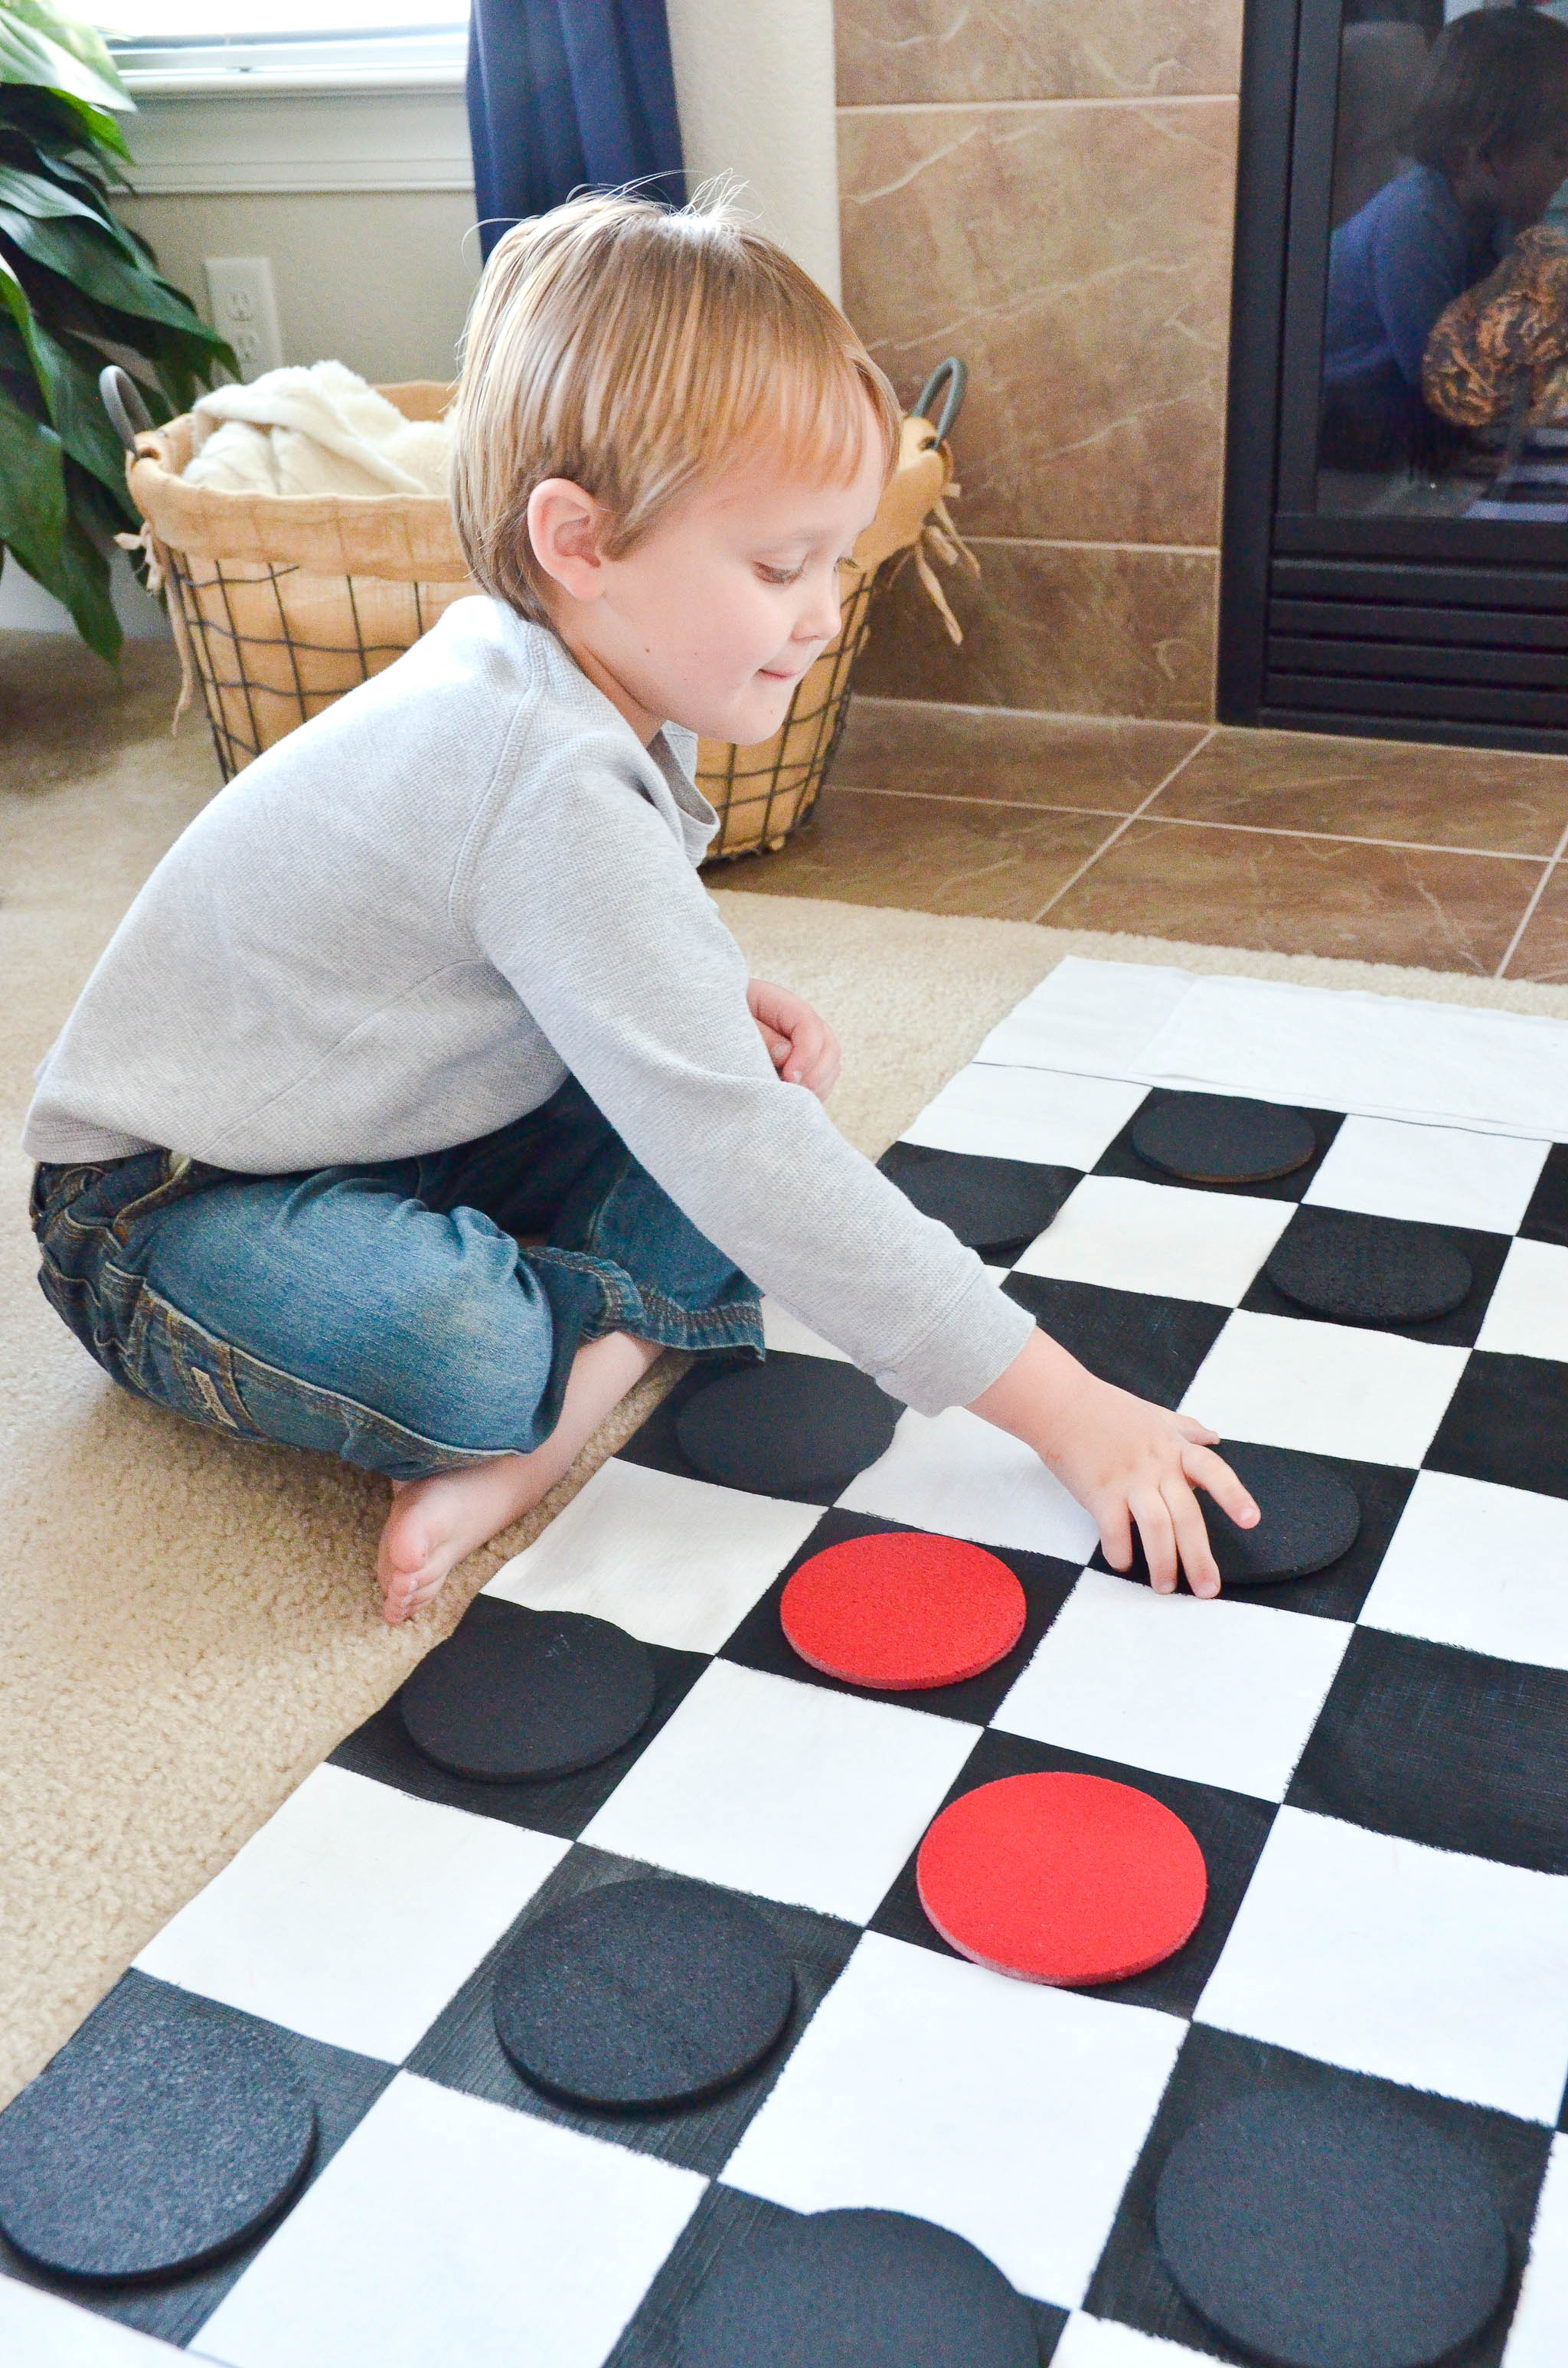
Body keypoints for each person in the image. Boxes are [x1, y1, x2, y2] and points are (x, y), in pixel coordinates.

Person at [24, 189, 1256, 1626]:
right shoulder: (534, 759)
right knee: (496, 1331)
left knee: (751, 1121)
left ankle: (578, 1361)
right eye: (778, 566)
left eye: (838, 560)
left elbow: (512, 945)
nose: (820, 613)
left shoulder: (567, 669)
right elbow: (712, 1112)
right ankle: (546, 1407)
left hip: (396, 1121)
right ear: (579, 541)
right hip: (166, 1205)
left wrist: (694, 998)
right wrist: (1069, 1412)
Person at [1322, 5, 1568, 468]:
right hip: (1341, 416)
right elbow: (1448, 385)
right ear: (1479, 156)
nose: (1567, 169)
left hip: (1406, 400)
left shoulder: (1496, 215)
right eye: (1559, 151)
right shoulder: (1413, 221)